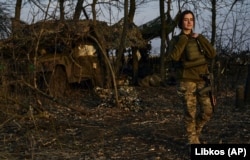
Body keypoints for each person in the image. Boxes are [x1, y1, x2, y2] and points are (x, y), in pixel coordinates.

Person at [166, 10, 216, 144]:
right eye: (186, 19)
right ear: (181, 22)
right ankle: (193, 142)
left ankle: (195, 133)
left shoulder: (198, 38)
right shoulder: (177, 40)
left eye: (191, 20)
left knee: (207, 111)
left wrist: (199, 37)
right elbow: (174, 57)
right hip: (187, 81)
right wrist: (183, 39)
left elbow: (212, 54)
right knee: (190, 113)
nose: (189, 22)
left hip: (202, 80)